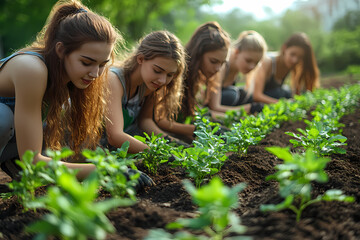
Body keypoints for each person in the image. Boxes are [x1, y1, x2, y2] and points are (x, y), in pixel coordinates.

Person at [0, 0, 154, 187]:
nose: (95, 73)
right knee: (3, 118)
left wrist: (124, 163)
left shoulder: (68, 82)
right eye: (86, 62)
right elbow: (32, 160)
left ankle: (13, 165)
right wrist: (105, 170)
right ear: (61, 50)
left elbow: (76, 148)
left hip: (11, 141)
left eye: (102, 64)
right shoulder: (32, 69)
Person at [103, 30, 187, 153]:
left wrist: (174, 144)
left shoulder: (149, 84)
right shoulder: (114, 80)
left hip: (116, 148)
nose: (163, 80)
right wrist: (160, 153)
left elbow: (145, 121)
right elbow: (115, 136)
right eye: (157, 71)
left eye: (170, 75)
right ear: (141, 59)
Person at [155, 21, 231, 141]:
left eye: (222, 63)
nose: (218, 69)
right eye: (213, 61)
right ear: (198, 54)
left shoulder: (197, 78)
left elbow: (195, 112)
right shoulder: (176, 74)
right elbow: (161, 120)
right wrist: (198, 131)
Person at [250, 32, 320, 104]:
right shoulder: (267, 62)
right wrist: (285, 104)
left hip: (272, 98)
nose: (295, 60)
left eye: (300, 57)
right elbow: (256, 96)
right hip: (252, 100)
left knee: (286, 92)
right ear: (284, 48)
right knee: (281, 93)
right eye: (292, 54)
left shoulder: (290, 65)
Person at [219, 30, 267, 110]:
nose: (252, 67)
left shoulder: (237, 69)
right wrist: (246, 109)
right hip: (212, 105)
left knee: (245, 94)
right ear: (237, 52)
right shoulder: (223, 65)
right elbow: (214, 105)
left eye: (256, 63)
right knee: (232, 94)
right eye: (248, 61)